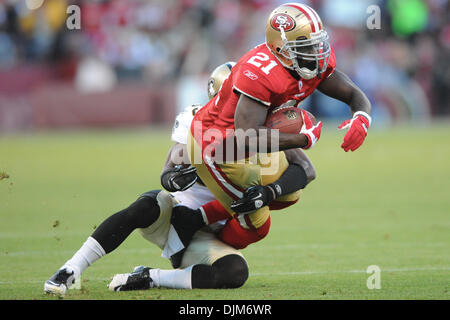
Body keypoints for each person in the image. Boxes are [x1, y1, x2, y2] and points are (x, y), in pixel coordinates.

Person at [44, 62, 316, 295]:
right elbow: (168, 171)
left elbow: (306, 169)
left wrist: (270, 192)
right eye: (238, 99)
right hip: (177, 216)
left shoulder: (262, 125)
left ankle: (151, 277)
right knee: (147, 205)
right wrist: (176, 176)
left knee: (234, 272)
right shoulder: (196, 119)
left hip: (215, 228)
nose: (244, 106)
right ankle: (70, 268)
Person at [169, 2, 372, 265]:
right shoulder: (260, 73)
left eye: (317, 43)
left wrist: (362, 116)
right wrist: (303, 137)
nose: (317, 52)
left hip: (257, 136)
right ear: (281, 49)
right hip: (219, 146)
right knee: (257, 224)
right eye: (306, 46)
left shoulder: (308, 61)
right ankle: (198, 250)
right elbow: (246, 136)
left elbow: (353, 94)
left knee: (290, 189)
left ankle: (196, 223)